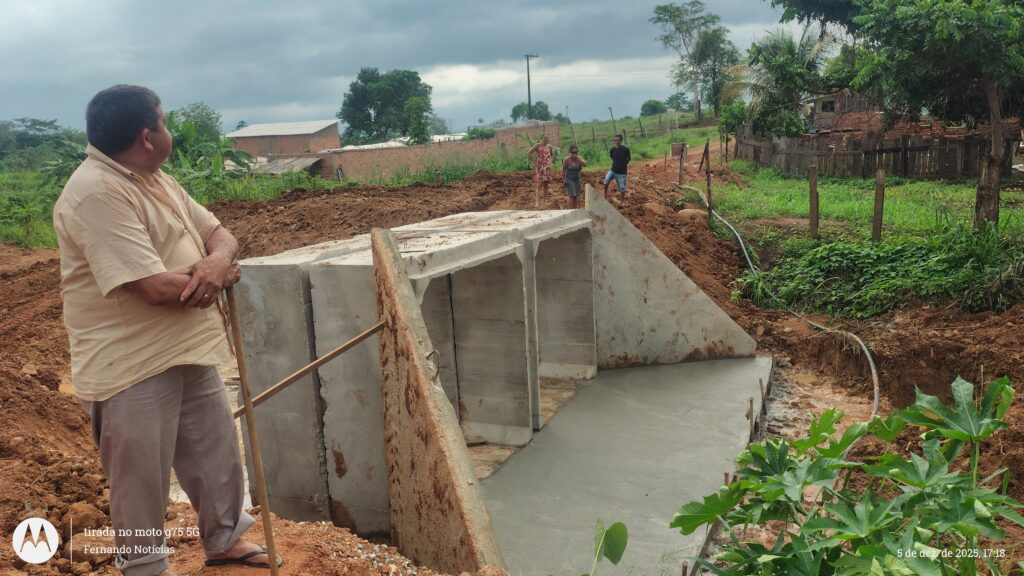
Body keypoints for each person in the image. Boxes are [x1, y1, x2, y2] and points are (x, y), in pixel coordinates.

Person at [53, 85, 282, 576]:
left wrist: (217, 262)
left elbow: (220, 234)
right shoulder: (95, 191)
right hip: (131, 364)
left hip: (185, 346)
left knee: (214, 447)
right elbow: (155, 288)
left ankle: (224, 539)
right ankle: (145, 568)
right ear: (147, 135)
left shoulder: (155, 179)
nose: (168, 129)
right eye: (164, 120)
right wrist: (217, 274)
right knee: (140, 479)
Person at [527, 133, 554, 208]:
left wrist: (550, 162)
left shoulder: (549, 146)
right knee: (539, 185)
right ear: (541, 138)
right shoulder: (537, 145)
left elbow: (551, 155)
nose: (546, 139)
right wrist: (535, 163)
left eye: (547, 138)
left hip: (547, 168)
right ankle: (537, 202)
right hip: (540, 168)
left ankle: (544, 203)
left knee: (546, 185)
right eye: (545, 138)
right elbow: (528, 153)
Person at [603, 134, 631, 203]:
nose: (617, 141)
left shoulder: (625, 149)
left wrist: (624, 164)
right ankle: (605, 196)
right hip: (613, 170)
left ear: (621, 140)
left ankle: (622, 201)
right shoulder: (612, 149)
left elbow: (629, 158)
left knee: (622, 188)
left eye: (618, 140)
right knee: (606, 181)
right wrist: (616, 164)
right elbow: (612, 157)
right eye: (615, 140)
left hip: (622, 172)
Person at [561, 143, 587, 209]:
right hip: (569, 179)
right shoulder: (567, 160)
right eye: (573, 152)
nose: (574, 154)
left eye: (576, 152)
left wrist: (578, 160)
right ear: (570, 152)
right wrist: (564, 180)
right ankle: (569, 210)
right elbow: (563, 170)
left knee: (576, 195)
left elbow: (585, 164)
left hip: (577, 179)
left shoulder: (579, 158)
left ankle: (574, 210)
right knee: (571, 195)